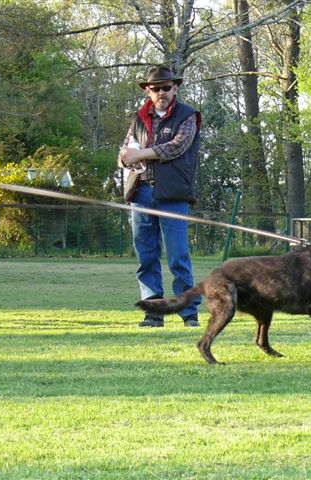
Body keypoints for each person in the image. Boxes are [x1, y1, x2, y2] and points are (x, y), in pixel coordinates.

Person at [117, 65, 201, 328]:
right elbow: (127, 149)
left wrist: (140, 154)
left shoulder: (188, 116)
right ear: (148, 91)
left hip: (173, 194)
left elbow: (177, 147)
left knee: (178, 256)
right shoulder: (139, 118)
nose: (162, 92)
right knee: (146, 255)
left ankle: (189, 314)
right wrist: (124, 158)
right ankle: (153, 312)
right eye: (156, 88)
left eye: (167, 87)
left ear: (175, 88)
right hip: (140, 192)